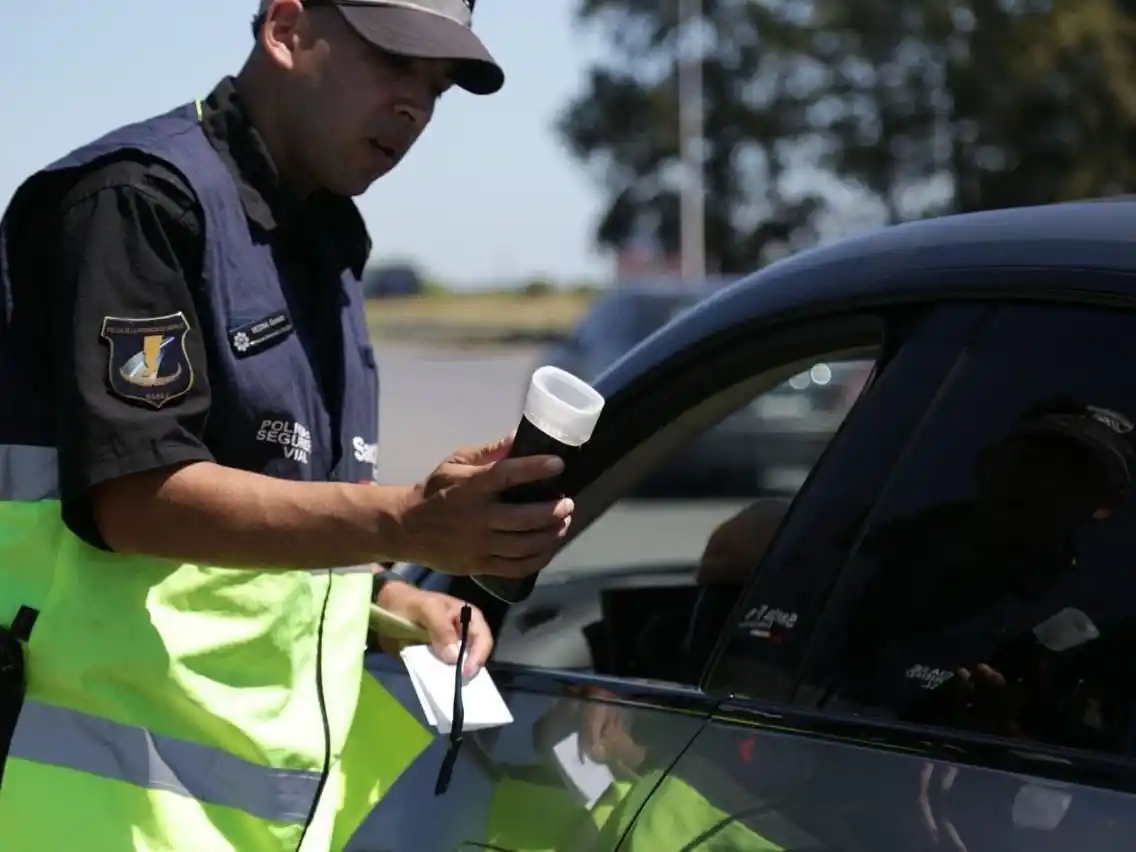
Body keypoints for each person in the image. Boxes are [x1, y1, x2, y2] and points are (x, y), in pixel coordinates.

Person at [0, 2, 573, 850]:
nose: (414, 107)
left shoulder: (326, 241)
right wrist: (411, 519)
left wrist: (387, 598)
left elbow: (277, 512)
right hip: (100, 818)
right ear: (286, 28)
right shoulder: (138, 199)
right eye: (392, 62)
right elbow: (137, 497)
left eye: (436, 87)